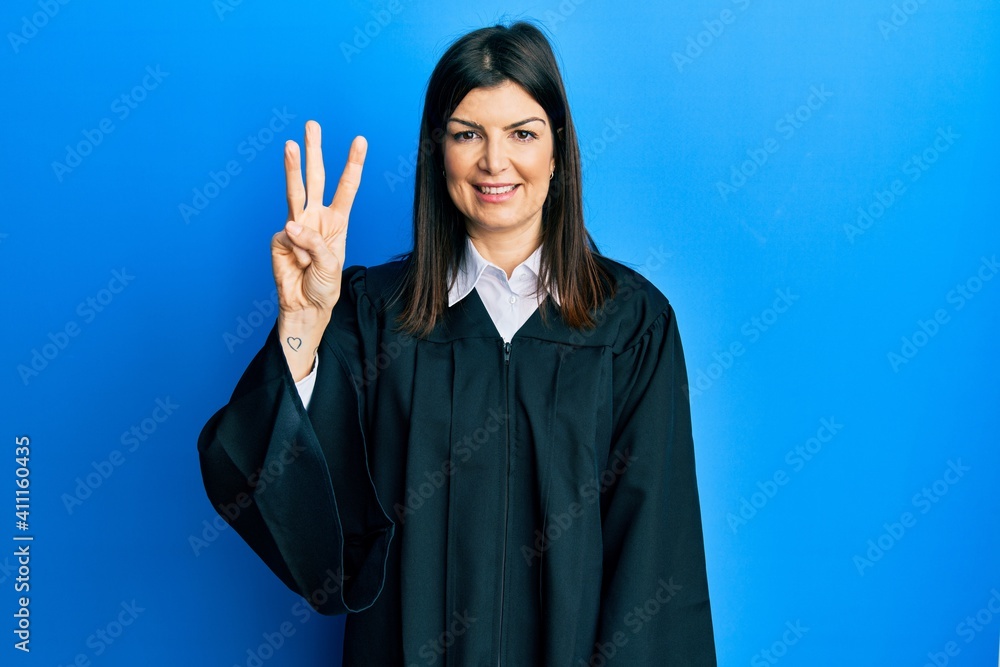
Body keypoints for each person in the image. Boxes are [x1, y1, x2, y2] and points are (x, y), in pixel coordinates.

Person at [198, 20, 716, 666]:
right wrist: (304, 321)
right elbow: (289, 500)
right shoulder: (374, 314)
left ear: (559, 151)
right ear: (436, 151)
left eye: (522, 133)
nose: (494, 162)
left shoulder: (630, 325)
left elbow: (654, 564)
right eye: (467, 134)